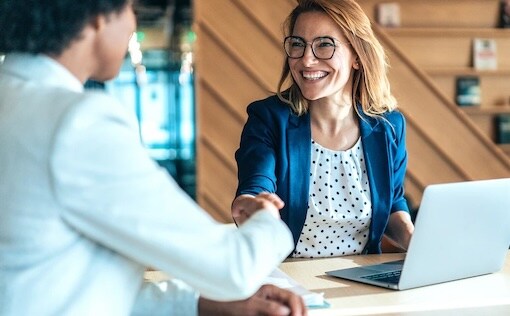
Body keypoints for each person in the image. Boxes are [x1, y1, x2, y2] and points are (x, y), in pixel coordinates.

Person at [0, 1, 307, 315]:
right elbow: (235, 269)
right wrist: (266, 218)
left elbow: (52, 281)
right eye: (130, 8)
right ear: (96, 18)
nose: (133, 22)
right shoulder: (78, 122)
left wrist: (200, 304)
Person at [232, 0, 414, 258]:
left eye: (324, 45)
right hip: (290, 280)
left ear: (357, 57)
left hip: (362, 279)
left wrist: (414, 239)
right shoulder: (269, 118)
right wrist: (252, 204)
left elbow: (394, 201)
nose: (307, 60)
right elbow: (257, 184)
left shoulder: (388, 126)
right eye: (298, 44)